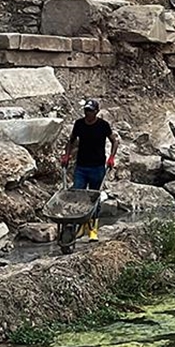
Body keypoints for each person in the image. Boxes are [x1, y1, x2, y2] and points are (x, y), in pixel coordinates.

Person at [60, 99, 118, 242]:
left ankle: (93, 229)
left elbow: (114, 141)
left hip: (97, 168)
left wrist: (111, 157)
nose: (87, 113)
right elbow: (71, 140)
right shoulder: (79, 124)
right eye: (86, 110)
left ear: (96, 112)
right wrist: (67, 155)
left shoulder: (103, 126)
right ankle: (79, 226)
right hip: (81, 167)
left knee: (94, 198)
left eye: (90, 111)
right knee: (78, 195)